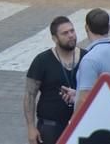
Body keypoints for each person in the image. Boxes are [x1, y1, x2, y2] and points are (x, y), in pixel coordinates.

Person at [24, 16, 87, 144]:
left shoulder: (87, 58)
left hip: (81, 125)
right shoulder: (42, 61)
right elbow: (29, 95)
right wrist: (31, 127)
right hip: (51, 127)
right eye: (65, 33)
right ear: (54, 38)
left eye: (72, 31)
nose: (71, 35)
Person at [61, 8, 110, 113]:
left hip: (94, 120)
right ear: (108, 27)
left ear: (87, 27)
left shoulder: (90, 59)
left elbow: (83, 100)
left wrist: (72, 125)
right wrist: (77, 94)